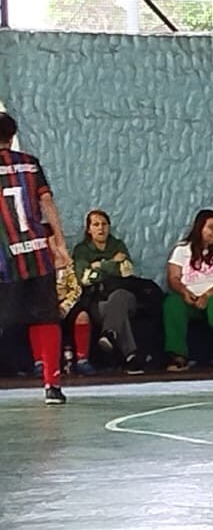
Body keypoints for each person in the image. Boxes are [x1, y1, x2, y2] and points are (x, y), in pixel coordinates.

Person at [0, 113, 73, 404]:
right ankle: (51, 385)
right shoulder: (30, 163)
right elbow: (46, 202)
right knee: (45, 317)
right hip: (35, 251)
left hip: (3, 256)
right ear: (13, 135)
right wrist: (60, 244)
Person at [164, 209, 213, 372]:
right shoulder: (182, 249)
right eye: (211, 227)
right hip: (192, 296)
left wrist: (208, 295)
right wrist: (185, 292)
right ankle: (177, 355)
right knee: (172, 303)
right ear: (199, 228)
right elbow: (173, 278)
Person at [72, 209, 144, 374]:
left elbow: (126, 270)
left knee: (120, 297)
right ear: (88, 229)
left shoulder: (117, 245)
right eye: (96, 224)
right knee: (116, 310)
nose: (101, 228)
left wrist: (98, 265)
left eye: (104, 224)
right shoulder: (81, 250)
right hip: (98, 300)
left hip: (125, 296)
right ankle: (130, 355)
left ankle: (110, 333)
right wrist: (111, 263)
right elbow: (85, 278)